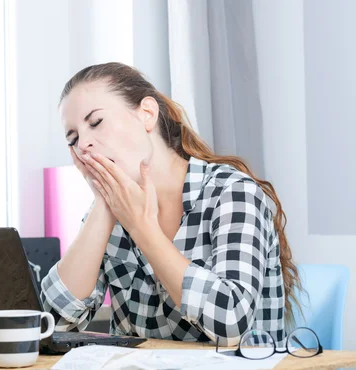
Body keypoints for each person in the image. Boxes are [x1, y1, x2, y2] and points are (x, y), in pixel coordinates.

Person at [40, 62, 302, 346]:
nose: (84, 145)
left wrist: (143, 230)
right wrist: (104, 204)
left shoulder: (233, 193)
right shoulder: (107, 213)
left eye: (96, 123)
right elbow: (51, 325)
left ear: (147, 114)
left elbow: (231, 323)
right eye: (73, 139)